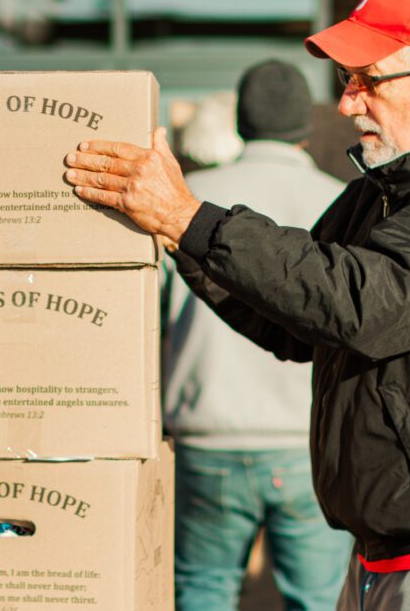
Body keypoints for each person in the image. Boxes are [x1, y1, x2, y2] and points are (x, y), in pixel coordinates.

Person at [64, 0, 410, 609]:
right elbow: (298, 321)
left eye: (368, 80)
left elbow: (364, 304)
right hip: (393, 541)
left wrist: (189, 218)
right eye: (345, 80)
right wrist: (181, 242)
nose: (347, 103)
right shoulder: (383, 188)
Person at [165, 61, 350, 610]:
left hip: (205, 434)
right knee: (315, 601)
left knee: (203, 589)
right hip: (306, 441)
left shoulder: (186, 200)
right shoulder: (342, 203)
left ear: (241, 122)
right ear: (308, 125)